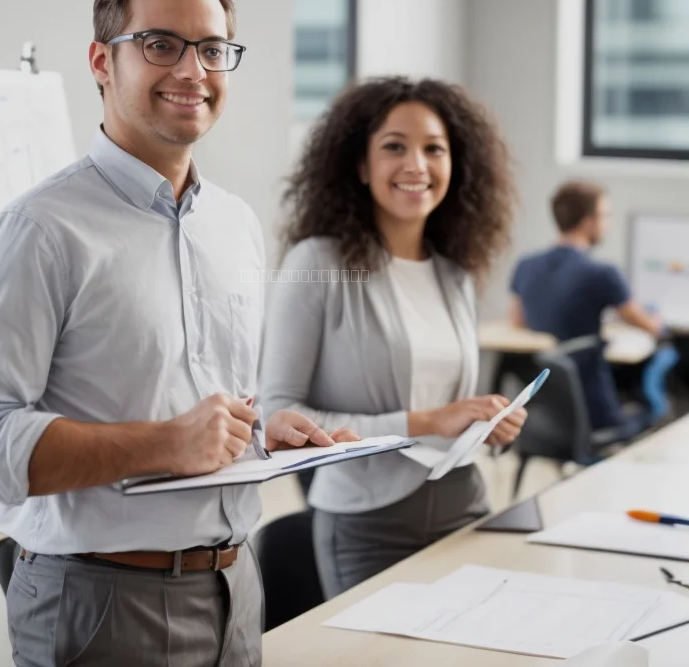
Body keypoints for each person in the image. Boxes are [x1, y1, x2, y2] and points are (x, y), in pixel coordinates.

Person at [0, 0, 354, 667]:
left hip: (236, 587)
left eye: (212, 48)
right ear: (103, 62)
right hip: (102, 600)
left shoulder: (233, 224)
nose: (192, 70)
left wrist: (264, 431)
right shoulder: (39, 231)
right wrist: (166, 444)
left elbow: (207, 409)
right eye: (160, 44)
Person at [259, 76, 527, 599]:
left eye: (434, 149)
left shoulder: (455, 275)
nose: (416, 165)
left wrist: (483, 423)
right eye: (394, 147)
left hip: (464, 507)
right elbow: (280, 416)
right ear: (360, 165)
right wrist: (427, 422)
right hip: (367, 525)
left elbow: (451, 409)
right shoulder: (317, 264)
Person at [510, 180, 664, 432]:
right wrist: (656, 318)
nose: (607, 223)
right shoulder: (602, 273)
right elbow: (647, 325)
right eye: (604, 215)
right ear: (587, 221)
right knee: (663, 377)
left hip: (545, 411)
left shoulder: (525, 266)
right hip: (595, 410)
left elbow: (518, 320)